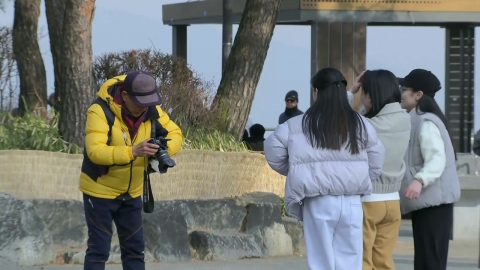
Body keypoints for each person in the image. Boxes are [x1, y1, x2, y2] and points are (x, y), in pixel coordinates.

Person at [264, 67, 385, 270]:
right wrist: (358, 177)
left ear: (316, 92)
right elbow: (377, 160)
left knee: (321, 263)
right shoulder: (361, 124)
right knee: (351, 262)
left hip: (318, 201)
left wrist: (299, 170)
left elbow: (273, 149)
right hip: (352, 200)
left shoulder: (297, 124)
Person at [79, 70, 183, 270]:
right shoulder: (99, 110)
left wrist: (161, 149)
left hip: (132, 192)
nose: (144, 108)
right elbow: (95, 151)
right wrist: (133, 151)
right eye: (139, 103)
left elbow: (176, 134)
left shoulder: (151, 109)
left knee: (135, 251)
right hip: (100, 192)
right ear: (125, 96)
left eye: (148, 103)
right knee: (98, 250)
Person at [398, 69, 461, 270]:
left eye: (405, 89)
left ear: (418, 95)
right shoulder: (418, 118)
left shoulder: (426, 121)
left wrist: (419, 180)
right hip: (427, 203)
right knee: (428, 260)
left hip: (433, 205)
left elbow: (436, 159)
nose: (401, 92)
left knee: (430, 262)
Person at [348, 70, 411, 270]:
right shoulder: (405, 119)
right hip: (392, 201)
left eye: (363, 94)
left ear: (370, 95)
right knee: (383, 261)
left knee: (363, 262)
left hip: (368, 201)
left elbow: (334, 119)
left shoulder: (365, 125)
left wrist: (350, 92)